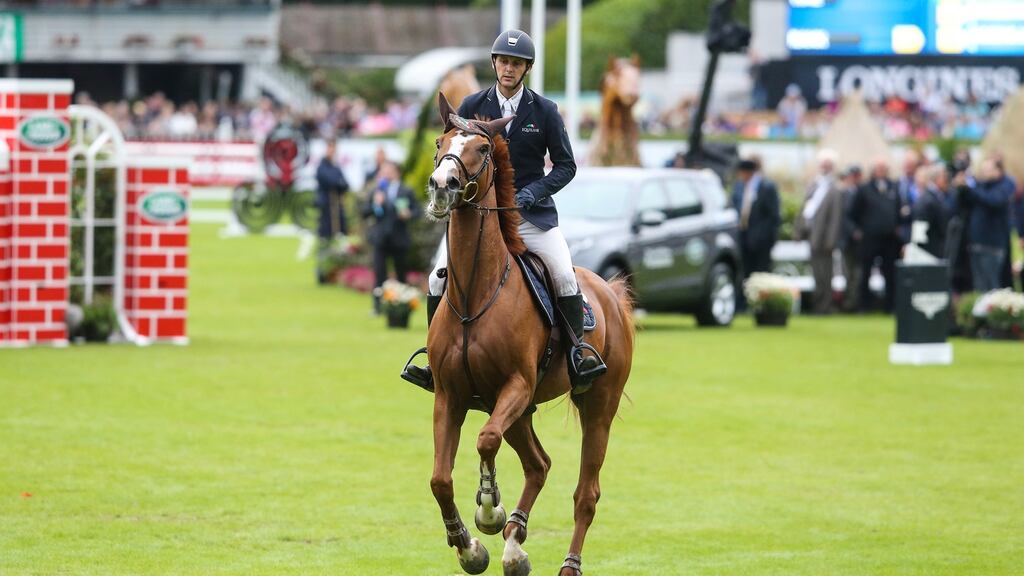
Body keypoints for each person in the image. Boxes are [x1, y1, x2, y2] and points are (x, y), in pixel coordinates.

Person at [402, 29, 606, 393]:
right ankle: (434, 362)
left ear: (526, 68)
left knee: (563, 275)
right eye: (503, 62)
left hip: (530, 217)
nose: (508, 69)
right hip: (476, 219)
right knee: (436, 277)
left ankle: (578, 356)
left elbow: (565, 166)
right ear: (495, 64)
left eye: (516, 63)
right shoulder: (471, 107)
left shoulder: (544, 111)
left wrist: (533, 192)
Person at [363, 161, 419, 314]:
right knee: (379, 273)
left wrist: (409, 214)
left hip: (399, 238)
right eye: (383, 170)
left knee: (401, 274)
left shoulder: (406, 190)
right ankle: (377, 307)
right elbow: (365, 211)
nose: (386, 173)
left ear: (396, 172)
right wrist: (375, 204)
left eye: (388, 170)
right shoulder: (377, 190)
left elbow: (417, 211)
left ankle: (403, 307)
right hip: (380, 239)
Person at [849, 158, 904, 313]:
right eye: (878, 168)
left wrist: (898, 227)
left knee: (890, 273)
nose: (881, 171)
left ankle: (890, 305)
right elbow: (852, 213)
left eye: (884, 168)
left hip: (890, 239)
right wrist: (857, 231)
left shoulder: (894, 187)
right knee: (865, 272)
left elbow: (899, 210)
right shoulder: (864, 189)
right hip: (869, 238)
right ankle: (864, 305)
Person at [795, 149, 844, 314]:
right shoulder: (814, 185)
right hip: (811, 235)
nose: (824, 167)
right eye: (822, 164)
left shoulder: (835, 189)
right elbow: (804, 209)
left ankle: (825, 305)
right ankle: (818, 303)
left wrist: (831, 240)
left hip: (824, 239)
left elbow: (835, 217)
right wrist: (798, 231)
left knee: (826, 273)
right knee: (816, 272)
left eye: (827, 164)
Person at [964, 158, 1014, 293]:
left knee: (992, 285)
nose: (984, 173)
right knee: (979, 285)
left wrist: (971, 188)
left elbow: (993, 200)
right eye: (983, 169)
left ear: (999, 171)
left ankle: (994, 313)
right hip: (976, 242)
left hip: (993, 246)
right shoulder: (981, 185)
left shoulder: (1005, 185)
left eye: (988, 170)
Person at [731, 157, 780, 280]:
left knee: (761, 273)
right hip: (743, 236)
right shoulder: (739, 186)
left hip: (761, 240)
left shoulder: (767, 187)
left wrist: (764, 236)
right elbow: (734, 206)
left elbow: (774, 216)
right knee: (744, 273)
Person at [838, 165, 864, 312]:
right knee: (848, 272)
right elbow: (843, 216)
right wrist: (853, 230)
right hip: (846, 240)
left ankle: (853, 303)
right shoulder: (842, 193)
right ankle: (849, 302)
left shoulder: (861, 192)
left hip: (859, 241)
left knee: (857, 273)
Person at [913, 164, 951, 259]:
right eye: (944, 177)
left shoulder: (934, 197)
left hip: (933, 250)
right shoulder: (928, 200)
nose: (947, 181)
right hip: (929, 253)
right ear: (937, 179)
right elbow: (919, 232)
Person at [315, 139, 350, 241]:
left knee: (339, 225)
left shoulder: (336, 166)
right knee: (326, 226)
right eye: (329, 148)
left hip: (336, 202)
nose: (331, 151)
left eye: (333, 149)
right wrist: (338, 183)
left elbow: (345, 183)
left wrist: (338, 184)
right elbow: (329, 180)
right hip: (326, 201)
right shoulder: (321, 166)